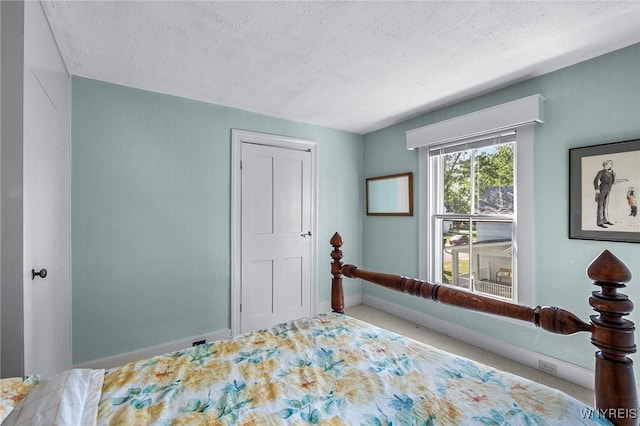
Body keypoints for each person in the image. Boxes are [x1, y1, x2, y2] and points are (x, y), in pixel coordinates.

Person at [593, 159, 615, 228]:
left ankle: (605, 220)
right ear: (605, 164)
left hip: (608, 190)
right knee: (601, 205)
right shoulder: (601, 172)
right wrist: (596, 189)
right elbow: (595, 180)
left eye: (612, 163)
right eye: (610, 163)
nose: (611, 164)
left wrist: (612, 174)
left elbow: (612, 182)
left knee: (605, 205)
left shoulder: (612, 172)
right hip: (602, 189)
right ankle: (600, 222)